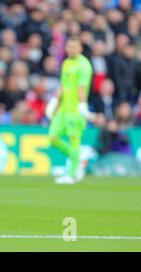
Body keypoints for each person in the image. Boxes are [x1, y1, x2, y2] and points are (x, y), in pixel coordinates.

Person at [45, 37, 94, 185]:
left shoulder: (84, 65)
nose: (71, 49)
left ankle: (71, 174)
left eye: (74, 47)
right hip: (63, 109)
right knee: (53, 137)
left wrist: (83, 105)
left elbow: (82, 87)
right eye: (69, 46)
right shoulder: (66, 63)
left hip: (76, 110)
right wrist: (54, 102)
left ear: (80, 49)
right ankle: (78, 159)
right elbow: (63, 84)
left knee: (74, 141)